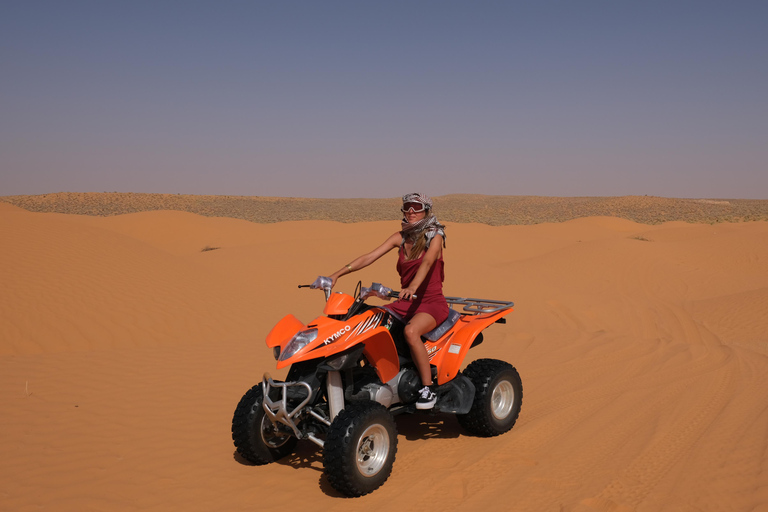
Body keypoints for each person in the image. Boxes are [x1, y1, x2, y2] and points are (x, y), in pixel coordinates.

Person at [325, 193, 449, 409]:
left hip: (430, 303)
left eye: (416, 207)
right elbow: (368, 257)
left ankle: (428, 389)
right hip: (404, 302)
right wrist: (336, 275)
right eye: (407, 207)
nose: (411, 212)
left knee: (411, 332)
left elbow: (428, 262)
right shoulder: (400, 237)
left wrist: (411, 287)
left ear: (426, 210)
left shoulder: (434, 236)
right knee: (366, 321)